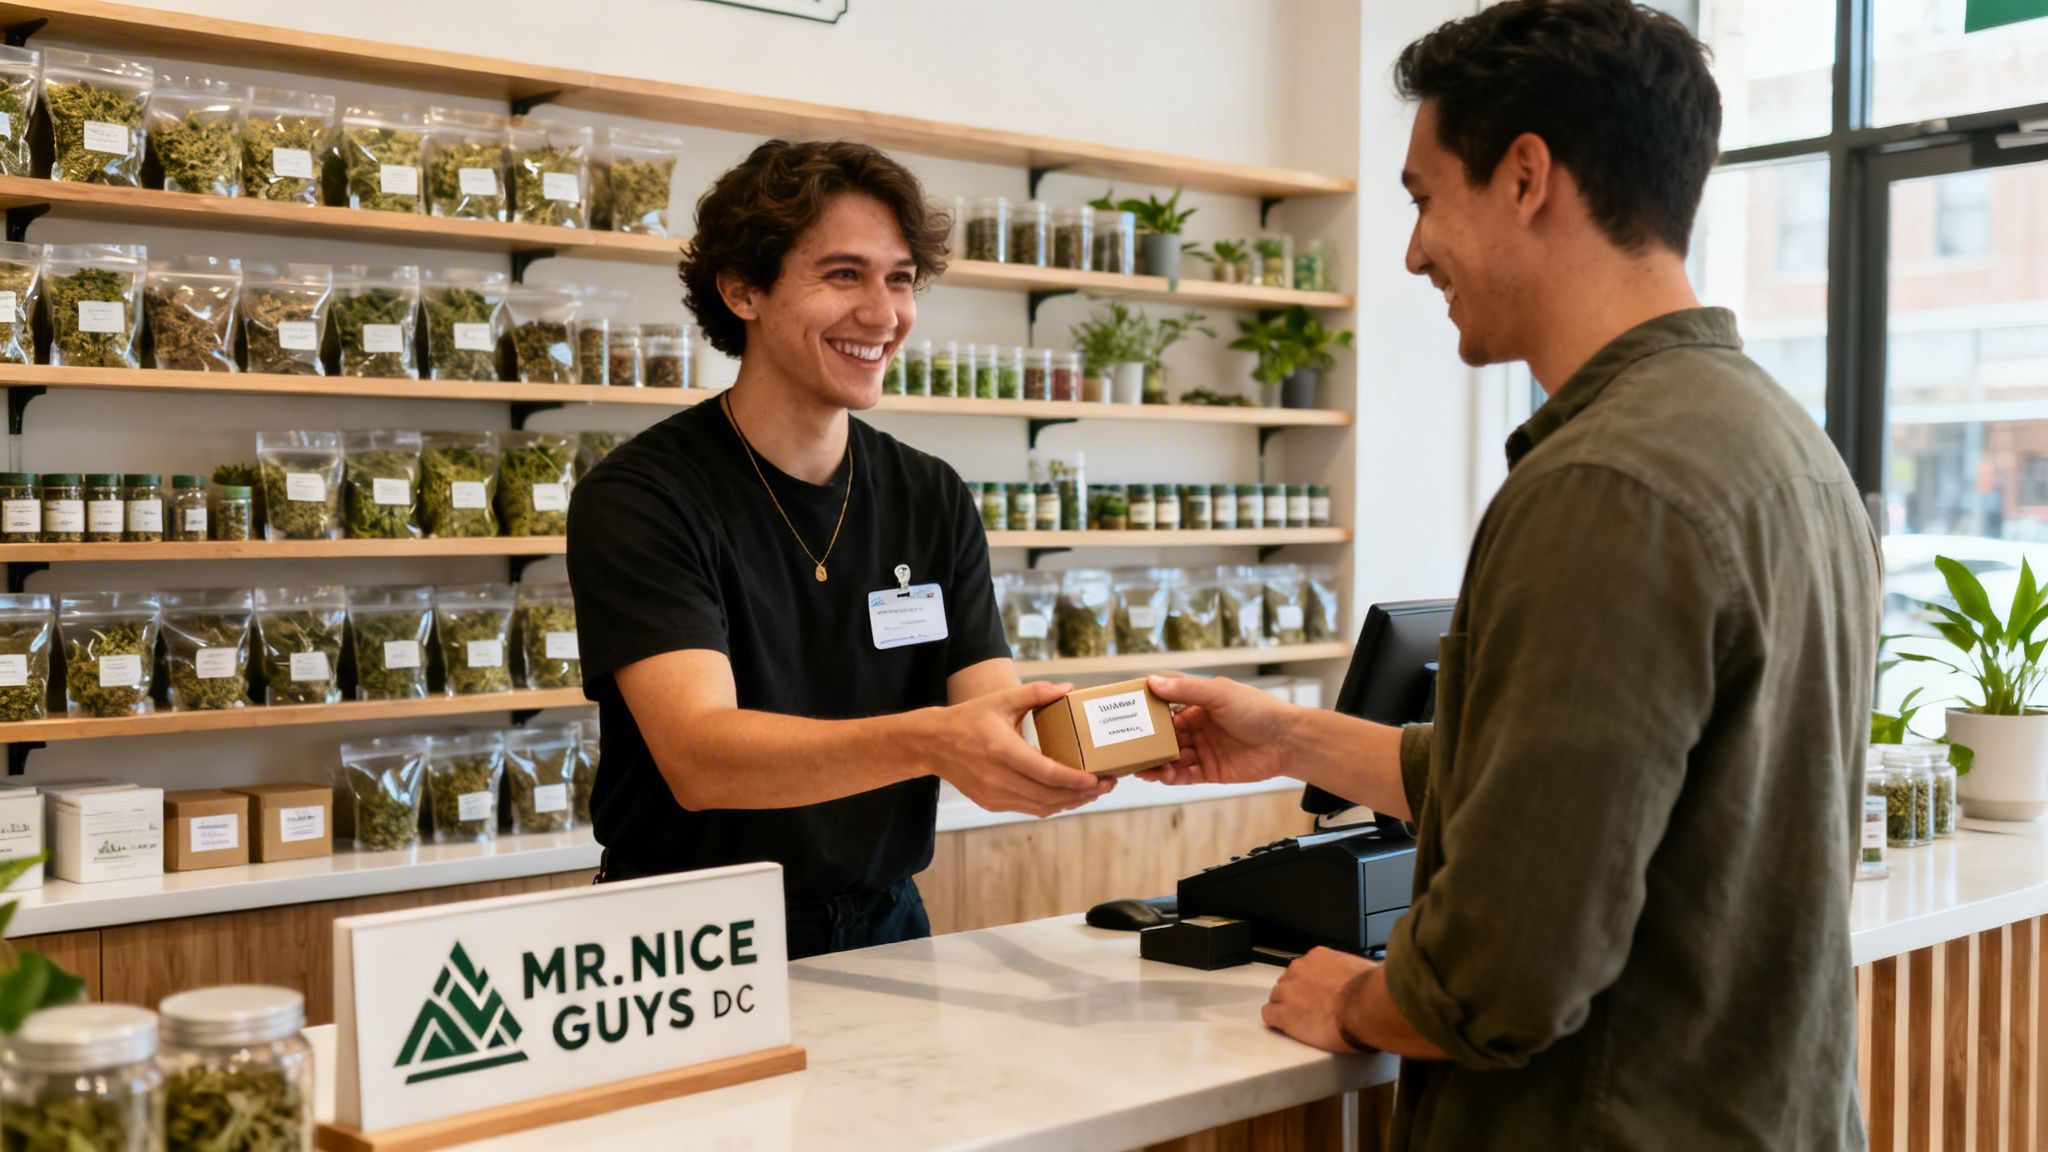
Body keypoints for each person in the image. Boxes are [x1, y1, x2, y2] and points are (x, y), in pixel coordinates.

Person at [1142, 1, 1880, 1147]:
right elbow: (1562, 789)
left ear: (1525, 177)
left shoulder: (1604, 483)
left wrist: (1356, 999)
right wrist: (1286, 738)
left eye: (1422, 198)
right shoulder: (1787, 447)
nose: (1412, 251)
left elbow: (1504, 972)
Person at [567, 139, 1112, 959]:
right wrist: (934, 740)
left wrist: (1133, 731)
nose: (884, 314)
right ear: (742, 290)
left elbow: (995, 713)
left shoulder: (930, 495)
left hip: (888, 920)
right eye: (844, 274)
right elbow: (701, 759)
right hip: (689, 938)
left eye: (900, 279)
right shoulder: (645, 496)